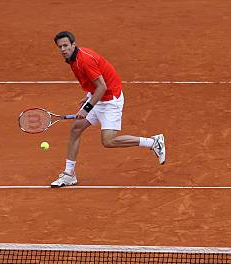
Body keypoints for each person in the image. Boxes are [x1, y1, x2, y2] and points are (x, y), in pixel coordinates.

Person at [50, 31, 165, 187]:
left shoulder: (84, 60)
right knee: (75, 129)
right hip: (98, 97)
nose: (63, 49)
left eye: (66, 45)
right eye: (60, 47)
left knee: (108, 141)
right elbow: (97, 81)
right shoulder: (72, 59)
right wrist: (89, 95)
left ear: (73, 44)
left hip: (110, 100)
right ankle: (69, 174)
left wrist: (86, 108)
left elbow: (102, 87)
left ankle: (153, 142)